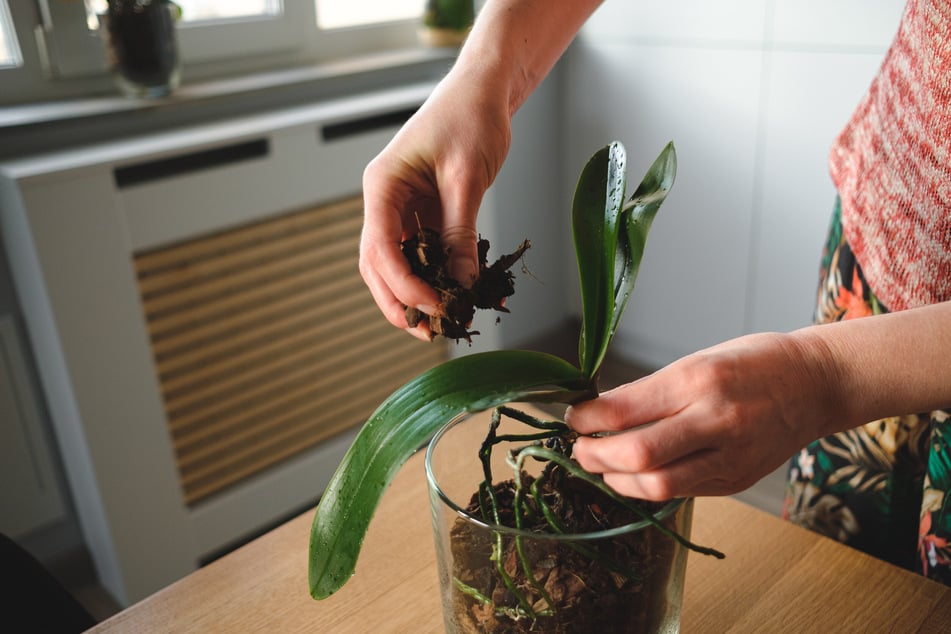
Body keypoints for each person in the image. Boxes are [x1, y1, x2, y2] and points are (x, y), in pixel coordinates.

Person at [359, 0, 951, 584]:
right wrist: (481, 78)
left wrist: (826, 375)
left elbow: (828, 377)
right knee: (842, 580)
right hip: (883, 238)